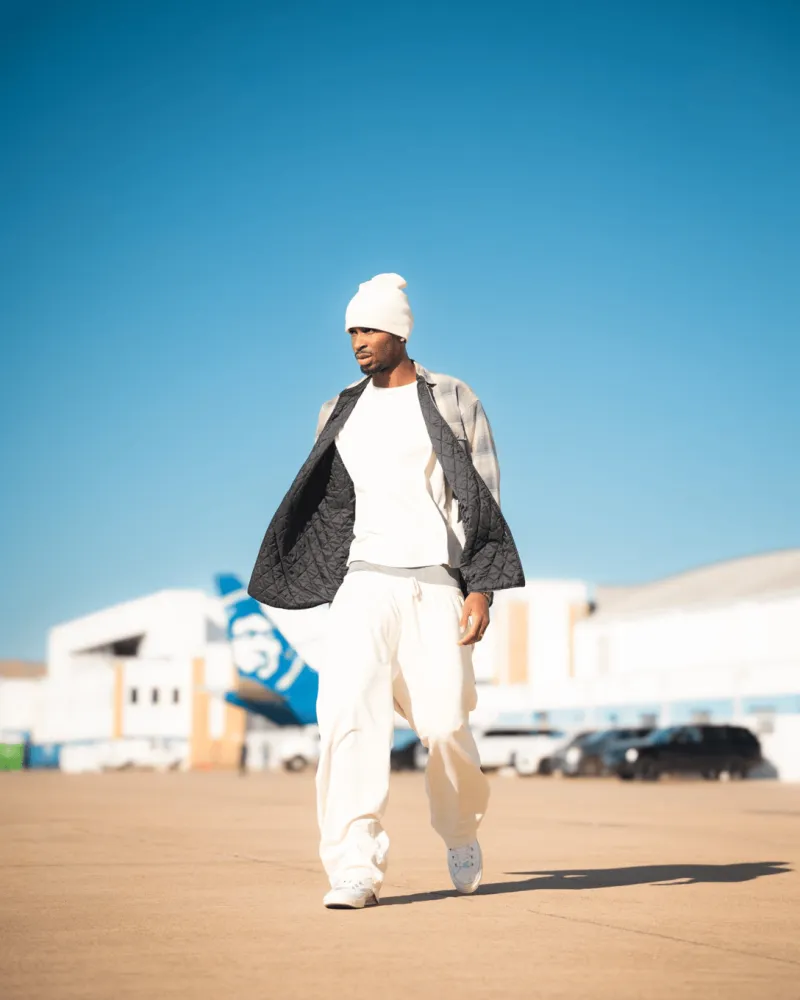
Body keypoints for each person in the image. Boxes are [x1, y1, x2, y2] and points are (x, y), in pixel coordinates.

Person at [248, 273, 524, 909]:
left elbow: (482, 496)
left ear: (399, 330)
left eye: (368, 328)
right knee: (348, 716)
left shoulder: (453, 397)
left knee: (446, 722)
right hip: (362, 582)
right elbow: (326, 500)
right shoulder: (338, 408)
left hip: (435, 581)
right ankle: (354, 867)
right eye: (351, 330)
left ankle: (460, 832)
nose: (357, 342)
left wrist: (481, 588)